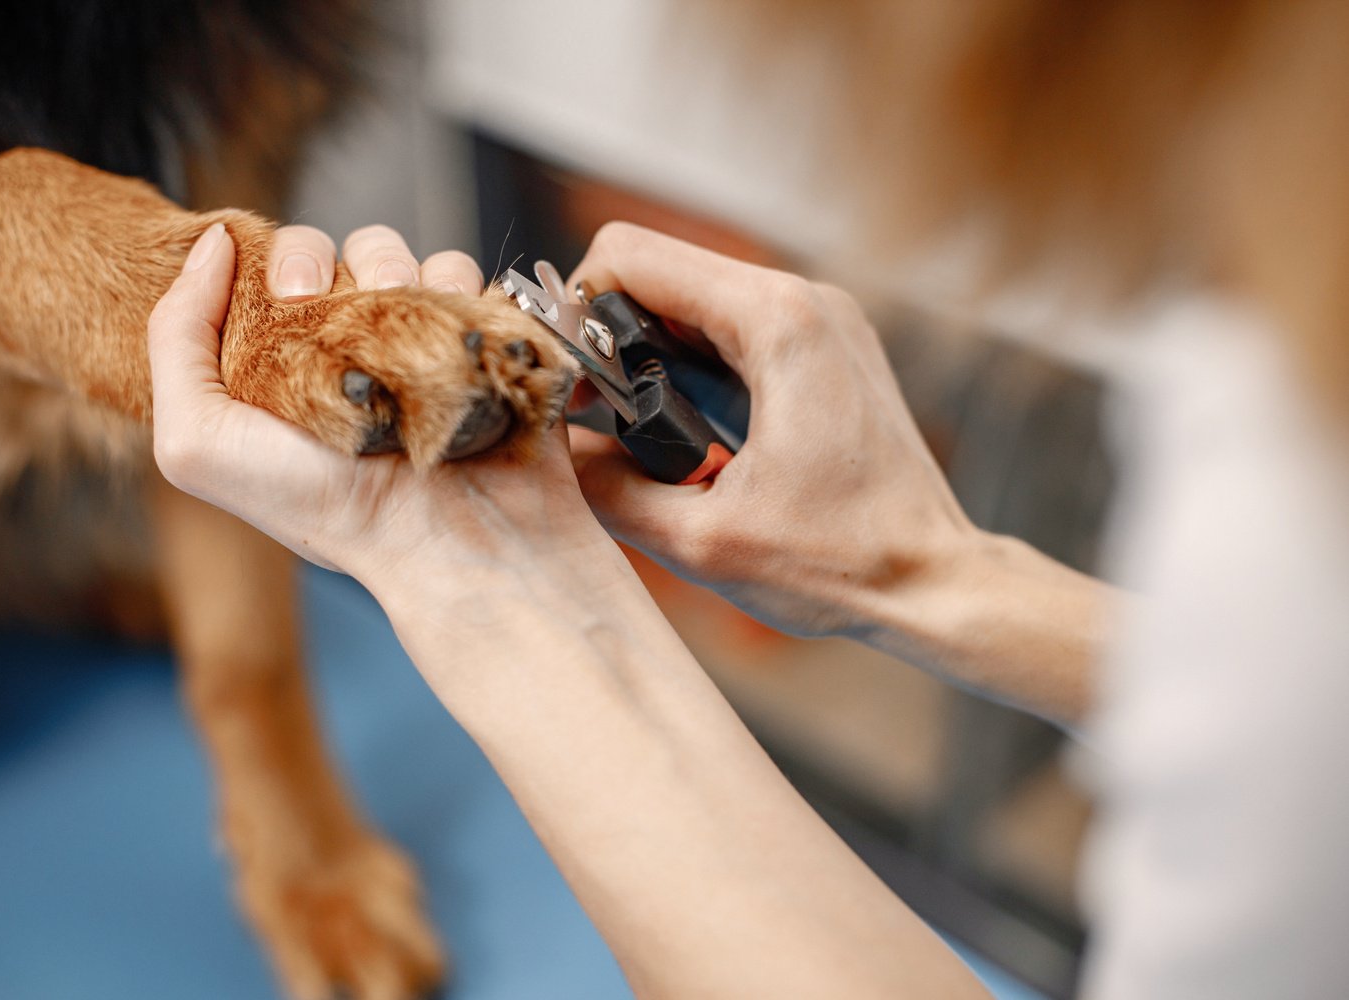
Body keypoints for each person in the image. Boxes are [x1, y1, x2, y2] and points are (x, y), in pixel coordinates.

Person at [148, 5, 1349, 995]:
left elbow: (1291, 678)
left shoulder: (1282, 501)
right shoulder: (1268, 412)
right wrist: (923, 568)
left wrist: (482, 586)